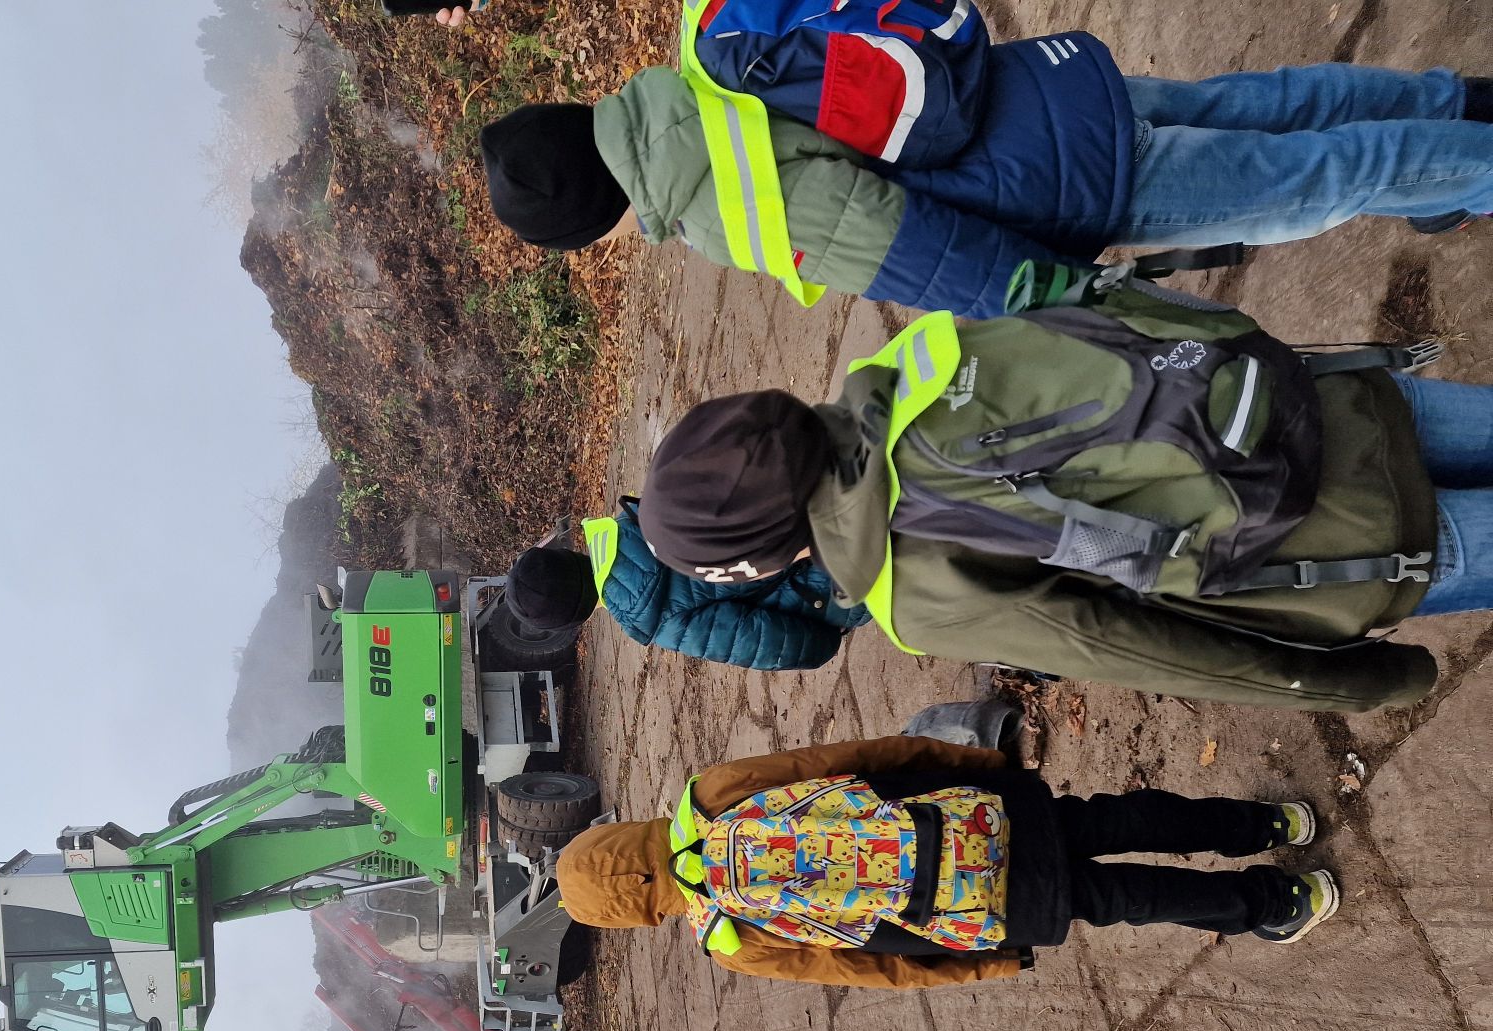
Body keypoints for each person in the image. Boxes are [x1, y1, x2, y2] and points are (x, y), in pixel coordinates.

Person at [629, 272, 1493, 712]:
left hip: (1342, 543)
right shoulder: (901, 366)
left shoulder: (910, 588)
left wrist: (1359, 682)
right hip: (1334, 401)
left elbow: (1130, 645)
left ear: (763, 558)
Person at [476, 29, 1493, 317]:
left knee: (1319, 180)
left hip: (1066, 179)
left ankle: (1470, 164)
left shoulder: (712, 201)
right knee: (1269, 102)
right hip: (1053, 88)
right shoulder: (697, 62)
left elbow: (913, 252)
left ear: (594, 216)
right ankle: (1460, 106)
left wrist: (1056, 290)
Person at [554, 737, 1336, 991]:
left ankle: (1278, 902)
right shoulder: (710, 795)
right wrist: (970, 762)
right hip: (963, 812)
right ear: (621, 832)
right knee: (1110, 818)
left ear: (634, 915)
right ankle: (1265, 821)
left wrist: (981, 966)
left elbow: (863, 968)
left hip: (967, 905)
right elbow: (854, 758)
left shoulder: (728, 941)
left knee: (1124, 897)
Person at [504, 502, 866, 671]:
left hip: (837, 579)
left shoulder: (653, 617)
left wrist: (827, 642)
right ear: (568, 555)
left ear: (575, 616)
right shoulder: (637, 515)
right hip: (824, 508)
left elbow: (765, 643)